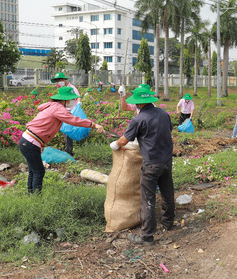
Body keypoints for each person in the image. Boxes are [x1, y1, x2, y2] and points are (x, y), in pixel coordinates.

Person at [110, 87, 175, 245]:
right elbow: (167, 131)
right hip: (166, 160)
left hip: (151, 164)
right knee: (167, 192)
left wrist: (116, 144)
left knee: (148, 198)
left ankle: (147, 236)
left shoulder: (138, 120)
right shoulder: (163, 114)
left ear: (138, 104)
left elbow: (125, 140)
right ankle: (168, 222)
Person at [19, 86, 104, 193]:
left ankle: (31, 196)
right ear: (65, 100)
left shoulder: (52, 106)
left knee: (34, 171)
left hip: (27, 140)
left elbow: (42, 127)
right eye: (72, 99)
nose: (74, 101)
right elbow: (73, 120)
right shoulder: (58, 108)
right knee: (39, 172)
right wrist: (93, 124)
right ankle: (35, 199)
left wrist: (41, 144)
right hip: (30, 143)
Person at [51, 72, 81, 156]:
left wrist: (78, 103)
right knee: (65, 131)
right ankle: (68, 149)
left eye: (60, 80)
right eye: (57, 81)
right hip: (63, 111)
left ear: (64, 79)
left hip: (71, 111)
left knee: (68, 131)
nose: (59, 82)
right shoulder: (61, 88)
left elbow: (78, 96)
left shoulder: (72, 88)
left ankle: (69, 151)